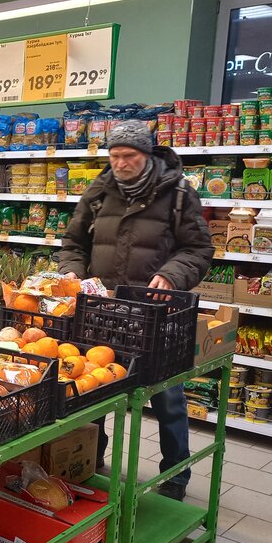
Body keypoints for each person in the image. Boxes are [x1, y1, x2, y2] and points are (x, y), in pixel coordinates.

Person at [57, 119, 213, 501]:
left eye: (128, 156)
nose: (121, 163)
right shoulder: (99, 191)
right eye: (114, 156)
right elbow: (72, 242)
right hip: (102, 309)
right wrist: (71, 274)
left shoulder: (178, 193)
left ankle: (176, 475)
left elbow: (198, 250)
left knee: (167, 398)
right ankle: (90, 460)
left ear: (147, 154)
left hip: (155, 312)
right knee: (93, 388)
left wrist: (173, 274)